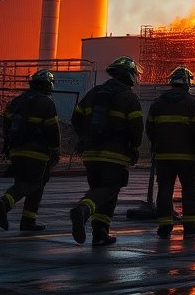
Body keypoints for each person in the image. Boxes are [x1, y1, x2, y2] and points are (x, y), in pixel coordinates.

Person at [70, 55, 144, 246]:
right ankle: (83, 209)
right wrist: (134, 149)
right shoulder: (129, 97)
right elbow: (136, 128)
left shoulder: (94, 93)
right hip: (115, 154)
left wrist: (85, 138)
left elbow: (76, 119)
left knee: (101, 190)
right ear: (130, 76)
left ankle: (100, 232)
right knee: (109, 189)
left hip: (90, 153)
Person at [0, 69, 61, 233]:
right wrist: (56, 149)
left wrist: (8, 146)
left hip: (16, 150)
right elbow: (52, 129)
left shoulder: (16, 101)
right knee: (34, 183)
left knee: (28, 184)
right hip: (37, 152)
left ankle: (28, 221)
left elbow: (6, 126)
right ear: (48, 85)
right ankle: (5, 202)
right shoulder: (46, 102)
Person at [147, 66, 195, 239]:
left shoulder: (157, 103)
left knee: (164, 190)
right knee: (189, 190)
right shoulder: (191, 103)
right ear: (187, 83)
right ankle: (189, 228)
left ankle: (164, 227)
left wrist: (156, 145)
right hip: (187, 157)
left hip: (163, 157)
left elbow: (149, 127)